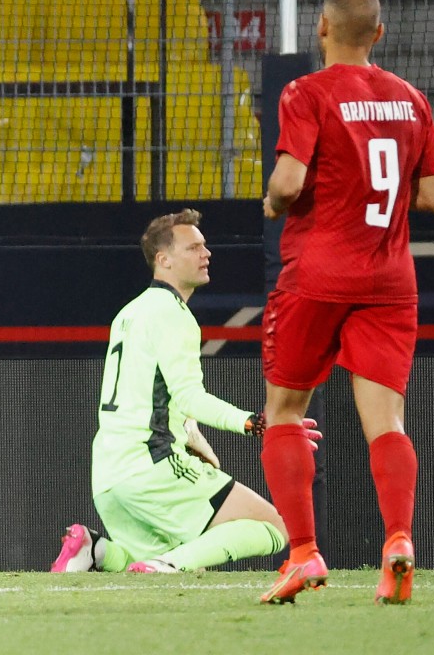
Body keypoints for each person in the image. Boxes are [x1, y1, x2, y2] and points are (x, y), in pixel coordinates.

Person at [259, 0, 434, 605]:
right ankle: (397, 540)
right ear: (379, 34)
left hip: (318, 272)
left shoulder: (306, 92)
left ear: (321, 29)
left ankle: (305, 555)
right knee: (386, 422)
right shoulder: (410, 99)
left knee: (285, 411)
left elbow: (288, 183)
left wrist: (273, 199)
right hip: (390, 277)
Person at [52, 210, 319, 575]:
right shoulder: (173, 314)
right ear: (163, 260)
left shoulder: (129, 313)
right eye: (193, 247)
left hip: (107, 475)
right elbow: (189, 396)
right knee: (275, 527)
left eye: (205, 246)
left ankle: (94, 549)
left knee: (170, 563)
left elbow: (152, 394)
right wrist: (253, 421)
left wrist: (191, 433)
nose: (206, 253)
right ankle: (167, 563)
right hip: (150, 467)